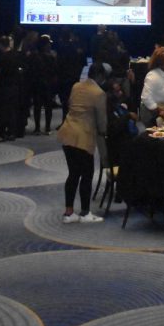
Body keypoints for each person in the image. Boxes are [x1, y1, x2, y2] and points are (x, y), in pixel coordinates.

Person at [57, 62, 108, 223]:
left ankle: (69, 212)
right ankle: (85, 213)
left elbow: (70, 104)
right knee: (86, 175)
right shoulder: (99, 93)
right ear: (100, 76)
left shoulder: (76, 86)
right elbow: (101, 121)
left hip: (67, 132)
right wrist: (103, 131)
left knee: (73, 174)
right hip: (83, 137)